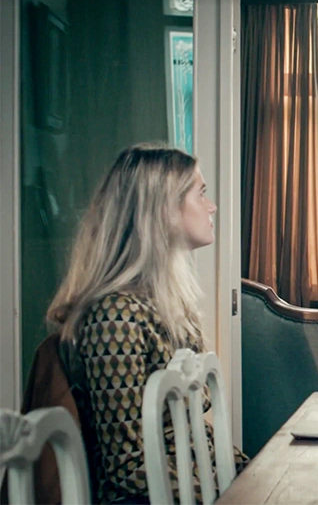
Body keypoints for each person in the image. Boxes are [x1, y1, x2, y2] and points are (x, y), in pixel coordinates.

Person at [47, 146, 247, 505]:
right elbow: (127, 468)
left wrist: (252, 473)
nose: (212, 206)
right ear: (164, 210)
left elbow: (192, 434)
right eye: (200, 193)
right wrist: (227, 495)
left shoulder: (168, 305)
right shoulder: (114, 317)